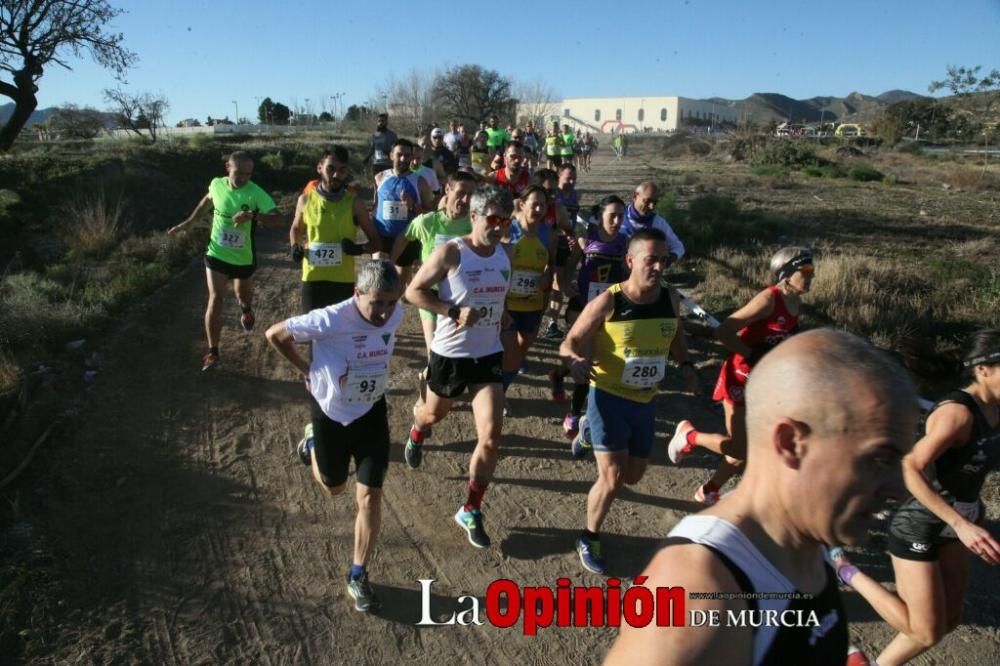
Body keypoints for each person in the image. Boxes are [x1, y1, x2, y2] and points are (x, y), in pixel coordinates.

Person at [604, 328, 919, 665]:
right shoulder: (698, 593)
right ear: (791, 444)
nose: (898, 489)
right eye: (879, 460)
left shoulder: (808, 539)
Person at [829, 329, 1000, 666]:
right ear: (983, 369)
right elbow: (911, 466)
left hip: (960, 520)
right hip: (919, 525)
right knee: (925, 632)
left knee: (948, 622)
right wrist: (959, 523)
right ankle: (845, 570)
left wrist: (970, 515)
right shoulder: (958, 414)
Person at [264, 260, 404, 613]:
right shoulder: (331, 319)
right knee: (334, 487)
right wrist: (306, 370)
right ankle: (312, 442)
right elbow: (275, 334)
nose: (386, 312)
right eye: (377, 303)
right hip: (329, 415)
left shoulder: (396, 312)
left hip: (371, 412)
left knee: (370, 496)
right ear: (357, 294)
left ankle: (358, 573)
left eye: (391, 302)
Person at [560, 227, 698, 574]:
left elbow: (676, 333)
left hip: (645, 401)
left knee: (634, 476)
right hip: (608, 397)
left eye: (663, 260)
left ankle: (589, 431)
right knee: (613, 476)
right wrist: (574, 362)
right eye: (650, 260)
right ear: (631, 260)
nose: (658, 267)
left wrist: (686, 364)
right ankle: (588, 536)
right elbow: (570, 340)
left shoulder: (671, 298)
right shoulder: (610, 301)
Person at [403, 184, 513, 549]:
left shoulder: (503, 256)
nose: (498, 227)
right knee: (434, 415)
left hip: (488, 355)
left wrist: (505, 317)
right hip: (450, 355)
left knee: (492, 435)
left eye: (504, 220)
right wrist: (451, 311)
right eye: (492, 219)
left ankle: (471, 507)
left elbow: (496, 297)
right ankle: (418, 429)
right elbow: (413, 291)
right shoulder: (452, 252)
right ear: (475, 217)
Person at [668, 247, 814, 504]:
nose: (812, 276)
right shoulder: (769, 299)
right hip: (740, 377)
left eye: (812, 270)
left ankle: (709, 490)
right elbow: (723, 331)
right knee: (742, 447)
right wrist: (751, 353)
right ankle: (690, 436)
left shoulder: (795, 301)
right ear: (787, 274)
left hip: (764, 384)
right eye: (806, 271)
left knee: (749, 445)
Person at [168, 151, 281, 371]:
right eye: (239, 173)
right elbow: (206, 202)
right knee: (216, 297)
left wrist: (254, 216)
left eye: (248, 174)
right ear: (227, 168)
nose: (243, 179)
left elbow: (278, 219)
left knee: (242, 294)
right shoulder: (216, 184)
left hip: (243, 257)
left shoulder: (255, 193)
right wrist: (188, 224)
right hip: (216, 253)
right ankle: (213, 352)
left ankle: (246, 309)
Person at [550, 195, 628, 445]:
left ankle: (559, 374)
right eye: (612, 216)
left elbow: (628, 275)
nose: (616, 221)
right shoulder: (587, 237)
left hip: (609, 309)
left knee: (590, 358)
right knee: (589, 360)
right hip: (583, 307)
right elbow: (571, 265)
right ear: (601, 215)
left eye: (620, 216)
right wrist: (565, 286)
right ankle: (573, 414)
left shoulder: (625, 243)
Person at [393, 171, 477, 400]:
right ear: (447, 190)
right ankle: (425, 399)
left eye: (471, 194)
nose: (466, 200)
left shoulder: (475, 223)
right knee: (435, 354)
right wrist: (390, 265)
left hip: (462, 298)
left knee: (460, 351)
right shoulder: (427, 222)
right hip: (430, 298)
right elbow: (404, 237)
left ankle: (443, 384)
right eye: (461, 193)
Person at [290, 146, 380, 312]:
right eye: (330, 169)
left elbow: (376, 242)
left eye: (342, 170)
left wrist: (359, 249)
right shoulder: (305, 200)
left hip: (342, 281)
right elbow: (296, 228)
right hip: (312, 278)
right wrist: (295, 246)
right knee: (313, 332)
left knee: (340, 335)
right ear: (319, 168)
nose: (336, 175)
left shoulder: (354, 203)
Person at [500, 185, 557, 396]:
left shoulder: (549, 235)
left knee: (522, 348)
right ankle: (500, 393)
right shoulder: (507, 229)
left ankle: (503, 378)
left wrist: (547, 279)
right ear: (522, 205)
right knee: (509, 353)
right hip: (507, 302)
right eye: (535, 204)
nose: (539, 209)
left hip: (533, 302)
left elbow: (551, 267)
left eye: (543, 205)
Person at [372, 139, 432, 281]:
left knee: (399, 280)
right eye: (399, 155)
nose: (403, 159)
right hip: (383, 236)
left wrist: (413, 206)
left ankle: (394, 303)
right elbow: (375, 205)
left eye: (407, 155)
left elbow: (429, 214)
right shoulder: (380, 178)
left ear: (412, 157)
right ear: (391, 155)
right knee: (379, 275)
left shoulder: (420, 182)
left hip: (407, 238)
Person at [541, 163, 581, 340]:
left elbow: (572, 220)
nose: (571, 181)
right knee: (550, 282)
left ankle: (552, 323)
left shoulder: (574, 195)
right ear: (559, 176)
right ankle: (544, 318)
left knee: (559, 282)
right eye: (567, 178)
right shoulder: (550, 194)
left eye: (574, 178)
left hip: (565, 243)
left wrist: (574, 234)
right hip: (547, 242)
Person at [620, 182, 684, 264]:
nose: (652, 206)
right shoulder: (617, 216)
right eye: (647, 201)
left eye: (655, 202)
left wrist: (665, 262)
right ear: (635, 196)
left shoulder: (658, 222)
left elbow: (678, 246)